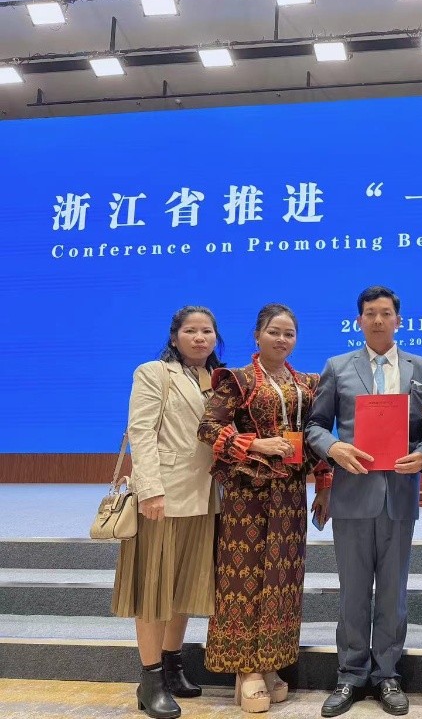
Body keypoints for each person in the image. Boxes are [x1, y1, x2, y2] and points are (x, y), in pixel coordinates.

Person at [305, 286, 422, 718]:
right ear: (359, 321)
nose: (378, 320)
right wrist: (333, 448)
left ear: (399, 320)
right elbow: (315, 426)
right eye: (370, 314)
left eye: (385, 313)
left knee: (393, 593)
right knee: (353, 592)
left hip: (399, 495)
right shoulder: (337, 367)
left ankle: (387, 675)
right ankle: (350, 674)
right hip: (352, 494)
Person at [197, 303, 332, 714]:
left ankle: (270, 662)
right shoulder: (237, 380)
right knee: (244, 579)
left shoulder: (307, 384)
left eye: (289, 333)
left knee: (282, 580)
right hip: (247, 494)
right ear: (257, 335)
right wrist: (255, 443)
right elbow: (208, 427)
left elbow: (315, 434)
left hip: (290, 495)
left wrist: (324, 485)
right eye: (274, 331)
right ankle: (246, 669)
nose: (282, 339)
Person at [112, 305, 225, 719]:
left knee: (185, 586)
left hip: (206, 497)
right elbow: (141, 432)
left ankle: (173, 664)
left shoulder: (220, 379)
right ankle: (150, 680)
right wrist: (150, 491)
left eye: (207, 331)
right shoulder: (154, 373)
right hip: (163, 497)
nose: (199, 337)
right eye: (191, 330)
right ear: (175, 337)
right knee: (154, 589)